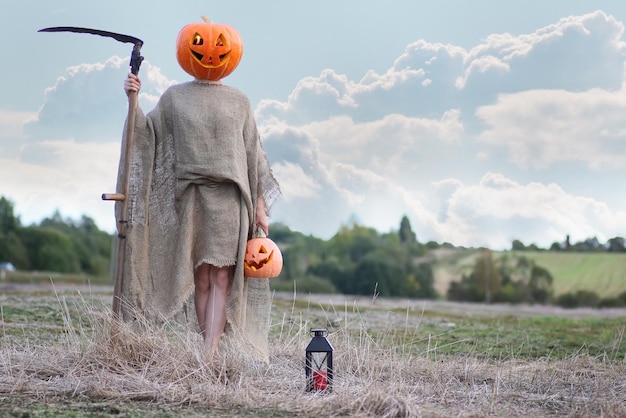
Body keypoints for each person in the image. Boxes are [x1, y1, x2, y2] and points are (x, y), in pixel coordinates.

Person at [118, 42, 280, 362]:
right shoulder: (174, 97)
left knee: (222, 277)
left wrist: (260, 208)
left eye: (219, 45)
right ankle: (205, 346)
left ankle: (209, 353)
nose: (209, 52)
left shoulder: (239, 101)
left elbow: (253, 155)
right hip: (190, 197)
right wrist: (133, 100)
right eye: (200, 44)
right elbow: (147, 135)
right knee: (201, 277)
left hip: (230, 199)